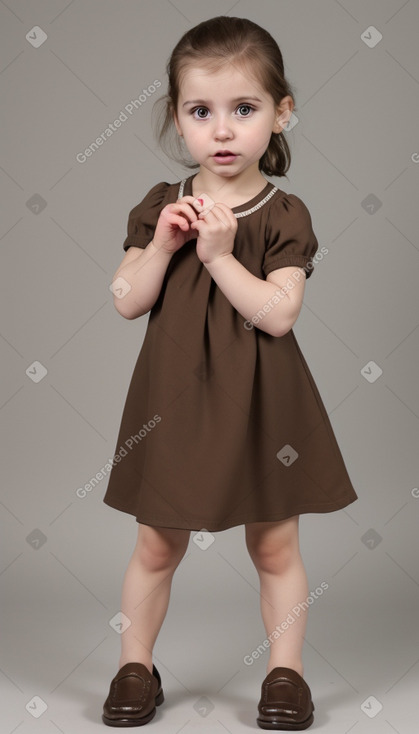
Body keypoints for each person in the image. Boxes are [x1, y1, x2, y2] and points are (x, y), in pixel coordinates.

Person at [101, 15, 358, 730]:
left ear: (280, 114)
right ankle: (135, 665)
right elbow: (125, 302)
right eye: (199, 111)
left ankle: (286, 675)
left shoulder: (284, 212)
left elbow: (277, 314)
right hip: (173, 400)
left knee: (273, 542)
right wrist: (161, 247)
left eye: (243, 110)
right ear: (177, 117)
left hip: (263, 400)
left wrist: (217, 256)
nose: (221, 130)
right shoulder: (162, 205)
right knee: (156, 541)